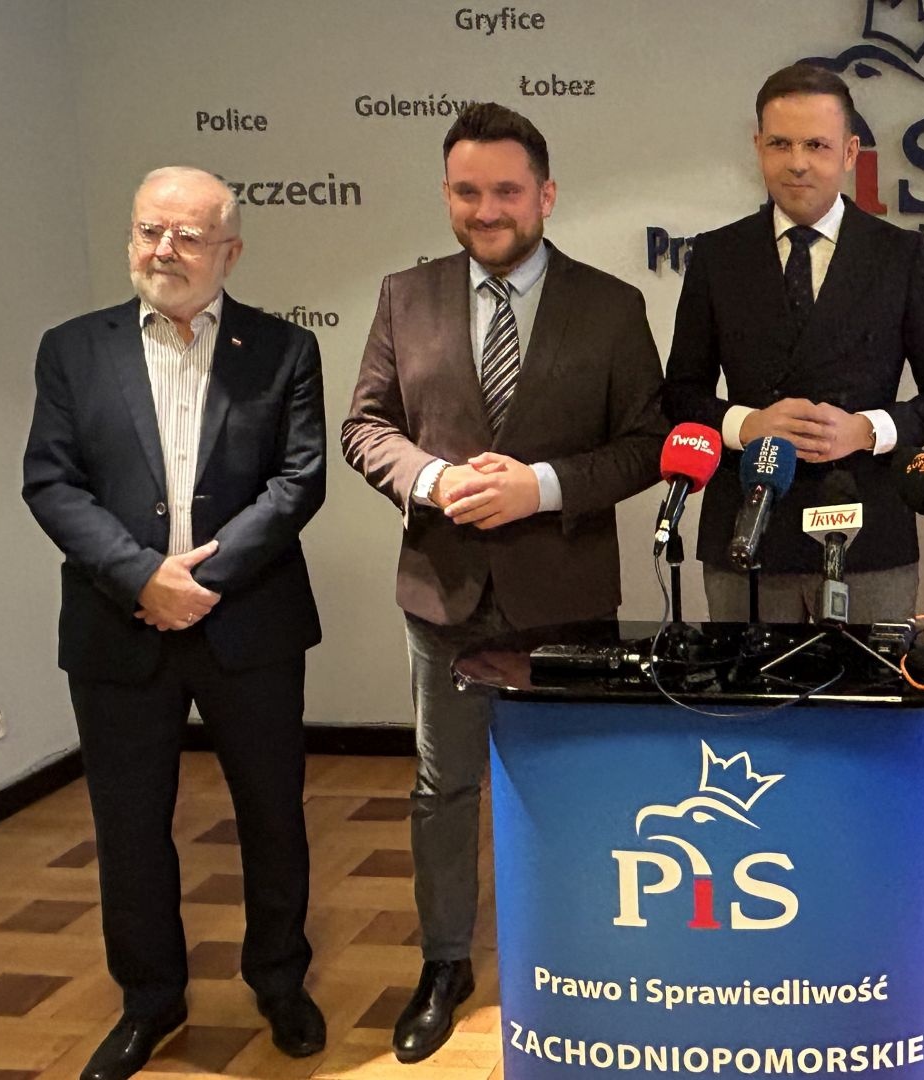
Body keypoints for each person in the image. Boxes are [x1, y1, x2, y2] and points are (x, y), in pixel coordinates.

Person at [340, 102, 668, 1064]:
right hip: (443, 594)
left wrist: (542, 487)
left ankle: (586, 949)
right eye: (467, 191)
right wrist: (432, 479)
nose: (487, 210)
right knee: (442, 787)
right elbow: (366, 427)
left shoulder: (611, 306)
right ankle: (445, 964)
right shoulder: (405, 296)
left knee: (579, 786)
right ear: (447, 195)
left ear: (546, 195)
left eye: (507, 191)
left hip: (568, 598)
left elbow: (647, 443)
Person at [21, 166, 327, 1080]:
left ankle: (280, 980)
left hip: (250, 625)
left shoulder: (284, 349)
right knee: (128, 826)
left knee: (272, 815)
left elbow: (299, 481)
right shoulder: (72, 349)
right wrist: (140, 578)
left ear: (229, 251)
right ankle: (149, 1001)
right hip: (118, 628)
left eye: (188, 236)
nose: (164, 250)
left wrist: (202, 580)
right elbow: (51, 481)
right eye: (149, 230)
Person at [662, 63, 924, 622]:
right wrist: (746, 425)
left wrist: (868, 429)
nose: (797, 162)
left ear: (850, 152)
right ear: (757, 146)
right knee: (746, 683)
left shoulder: (900, 255)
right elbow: (680, 393)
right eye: (780, 144)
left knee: (870, 683)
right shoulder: (717, 256)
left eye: (816, 145)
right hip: (748, 531)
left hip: (868, 532)